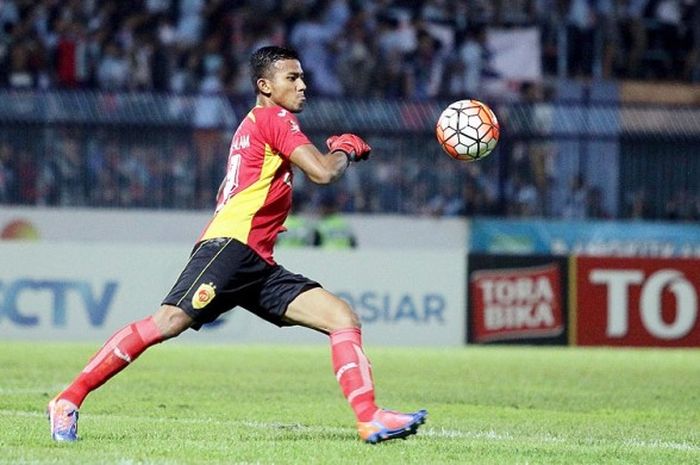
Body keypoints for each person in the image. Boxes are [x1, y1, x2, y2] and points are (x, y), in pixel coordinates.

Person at [47, 45, 427, 445]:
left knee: (341, 317)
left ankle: (369, 418)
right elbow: (322, 173)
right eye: (292, 78)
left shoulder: (251, 124)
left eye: (302, 77)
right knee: (168, 321)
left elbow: (232, 187)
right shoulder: (274, 117)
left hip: (256, 259)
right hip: (232, 246)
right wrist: (344, 151)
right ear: (265, 85)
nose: (303, 86)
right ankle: (68, 401)